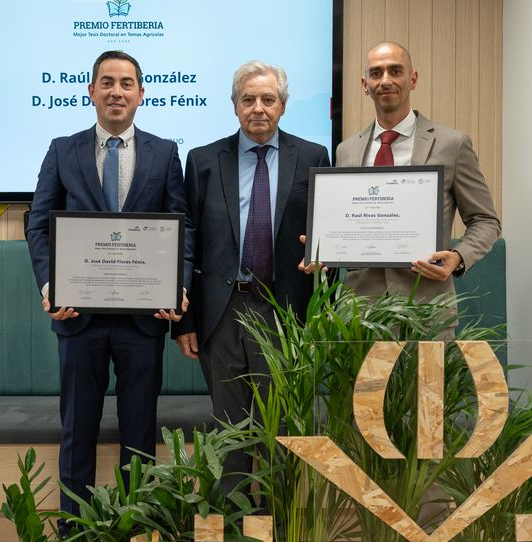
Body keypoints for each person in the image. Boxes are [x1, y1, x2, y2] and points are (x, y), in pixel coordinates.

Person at [25, 50, 193, 518]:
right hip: (78, 316)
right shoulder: (63, 150)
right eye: (107, 82)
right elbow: (38, 225)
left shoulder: (165, 153)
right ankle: (74, 538)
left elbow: (183, 227)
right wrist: (49, 286)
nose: (116, 92)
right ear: (91, 91)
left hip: (144, 318)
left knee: (139, 438)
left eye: (126, 83)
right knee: (77, 433)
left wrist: (177, 285)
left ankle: (135, 536)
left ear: (141, 94)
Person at [174, 61, 330, 496]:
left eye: (267, 99)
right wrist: (185, 322)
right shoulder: (203, 160)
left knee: (281, 431)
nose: (258, 108)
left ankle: (279, 529)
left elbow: (327, 231)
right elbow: (188, 242)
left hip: (284, 310)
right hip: (222, 314)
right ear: (234, 106)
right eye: (248, 99)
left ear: (283, 105)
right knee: (230, 433)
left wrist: (323, 258)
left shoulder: (313, 156)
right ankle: (234, 532)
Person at [328, 41, 500, 316]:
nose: (385, 80)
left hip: (427, 309)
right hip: (359, 313)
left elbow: (486, 221)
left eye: (395, 71)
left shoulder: (452, 145)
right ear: (365, 85)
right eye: (376, 73)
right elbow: (344, 222)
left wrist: (458, 257)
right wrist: (323, 243)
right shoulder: (346, 150)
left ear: (413, 79)